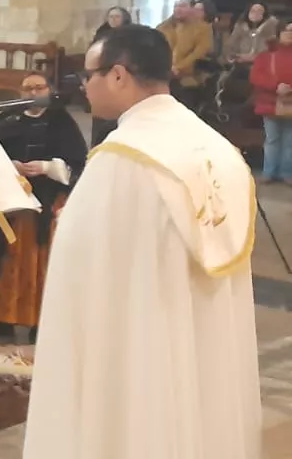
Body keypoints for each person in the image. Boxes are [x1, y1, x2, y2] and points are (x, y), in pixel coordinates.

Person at [24, 25, 259, 458]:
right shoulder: (218, 149)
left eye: (87, 76)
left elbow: (78, 270)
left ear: (118, 75)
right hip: (197, 347)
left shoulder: (124, 159)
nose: (84, 89)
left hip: (141, 351)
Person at [0, 71, 86, 343]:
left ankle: (39, 321)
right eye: (27, 88)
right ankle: (4, 318)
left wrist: (47, 167)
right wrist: (11, 166)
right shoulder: (6, 120)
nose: (33, 93)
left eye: (39, 87)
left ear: (48, 90)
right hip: (13, 204)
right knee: (10, 262)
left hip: (48, 201)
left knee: (41, 263)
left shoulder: (62, 122)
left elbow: (78, 162)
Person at [252, 24, 292, 183]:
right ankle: (269, 172)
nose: (289, 34)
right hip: (270, 101)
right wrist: (276, 86)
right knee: (272, 139)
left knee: (290, 141)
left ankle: (287, 173)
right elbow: (256, 76)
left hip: (289, 101)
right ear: (279, 34)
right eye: (286, 31)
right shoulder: (266, 55)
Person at [157, 0, 212, 108]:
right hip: (163, 74)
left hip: (188, 75)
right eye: (176, 6)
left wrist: (178, 67)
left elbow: (200, 52)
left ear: (192, 9)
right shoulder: (163, 27)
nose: (178, 9)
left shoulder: (203, 28)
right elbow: (155, 49)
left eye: (182, 6)